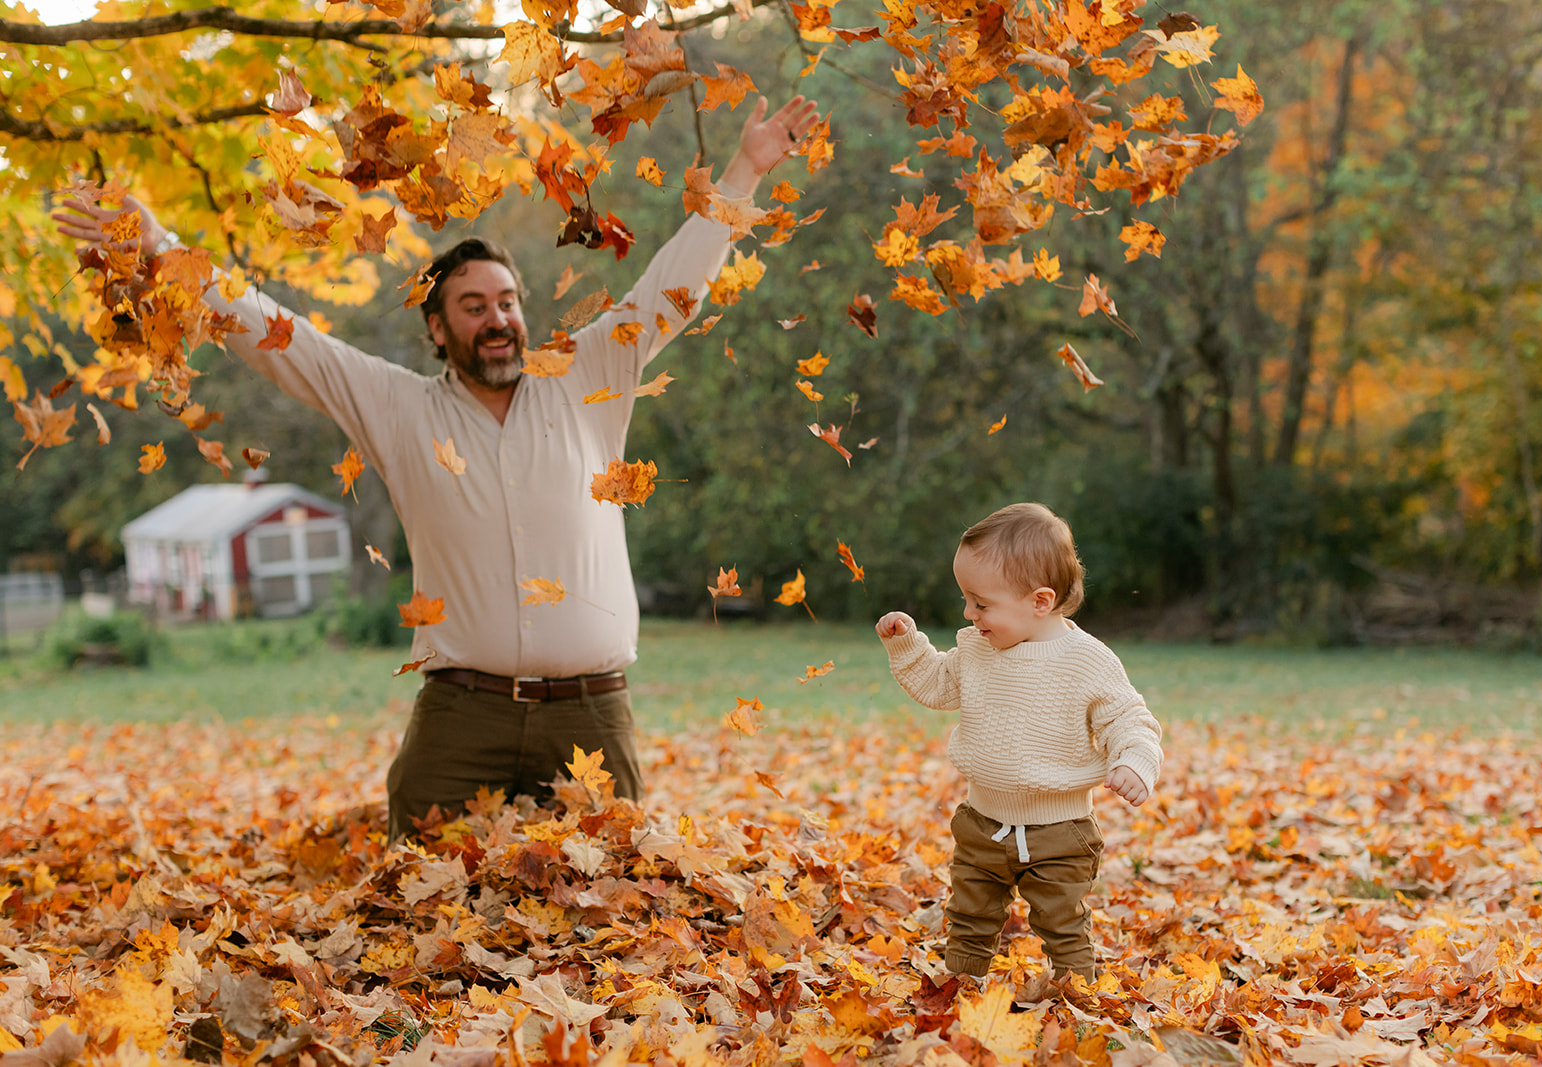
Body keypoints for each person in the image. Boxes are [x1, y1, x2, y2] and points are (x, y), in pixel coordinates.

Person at [56, 94, 820, 843]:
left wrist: (746, 171)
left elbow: (671, 291)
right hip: (462, 715)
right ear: (436, 326)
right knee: (415, 919)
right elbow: (282, 336)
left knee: (613, 927)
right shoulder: (400, 407)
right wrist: (161, 248)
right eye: (474, 305)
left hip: (590, 716)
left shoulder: (587, 375)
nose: (498, 319)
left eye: (508, 302)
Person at [874, 502, 1162, 987]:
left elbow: (1127, 717)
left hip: (1060, 831)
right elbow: (937, 684)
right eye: (966, 599)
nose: (969, 614)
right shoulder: (976, 648)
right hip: (983, 823)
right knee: (969, 915)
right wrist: (907, 646)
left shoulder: (1085, 660)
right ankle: (961, 988)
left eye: (981, 603)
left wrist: (1135, 759)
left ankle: (1078, 995)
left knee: (1063, 923)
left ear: (1040, 601)